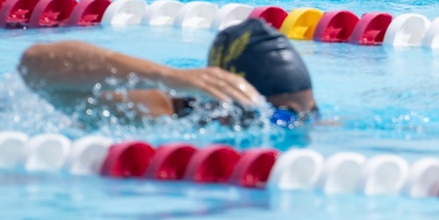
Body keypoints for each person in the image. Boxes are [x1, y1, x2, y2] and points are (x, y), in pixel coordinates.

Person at [18, 18, 317, 128]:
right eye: (283, 117)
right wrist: (171, 78)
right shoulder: (156, 113)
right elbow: (34, 63)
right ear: (228, 101)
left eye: (311, 112)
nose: (299, 125)